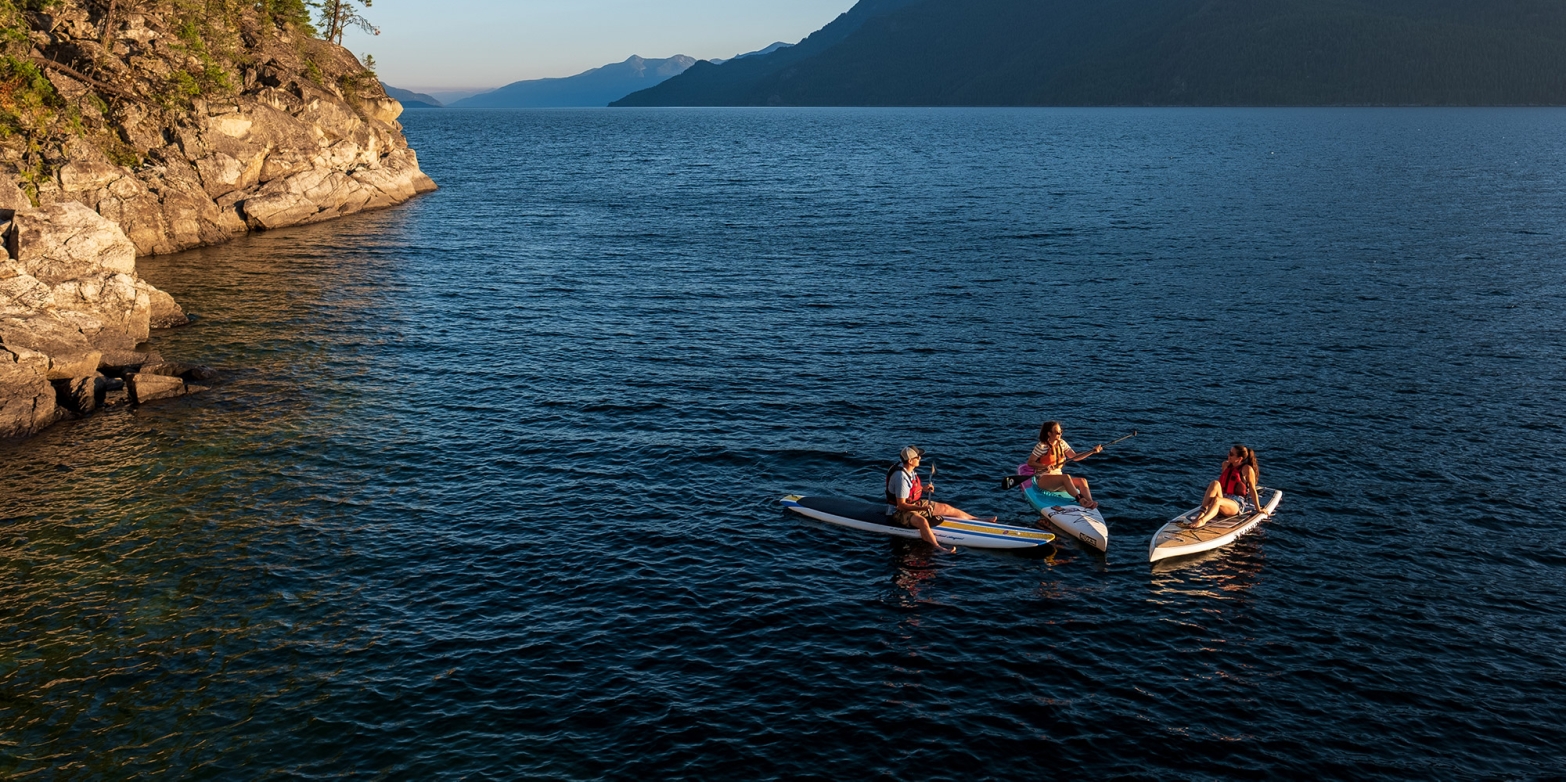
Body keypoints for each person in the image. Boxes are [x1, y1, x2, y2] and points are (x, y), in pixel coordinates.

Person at [886, 446, 992, 553]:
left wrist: (923, 488)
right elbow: (901, 505)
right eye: (917, 457)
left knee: (946, 508)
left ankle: (976, 519)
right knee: (922, 522)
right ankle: (938, 547)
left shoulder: (908, 469)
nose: (920, 459)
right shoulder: (901, 478)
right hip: (898, 511)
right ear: (910, 461)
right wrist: (922, 508)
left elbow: (910, 491)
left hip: (912, 503)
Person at [1025, 421, 1103, 509]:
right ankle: (1081, 501)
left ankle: (1090, 503)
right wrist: (1045, 466)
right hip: (1044, 479)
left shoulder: (1062, 443)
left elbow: (1075, 457)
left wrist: (1092, 451)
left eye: (1061, 432)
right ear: (1049, 433)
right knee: (1066, 477)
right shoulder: (1041, 446)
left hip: (1058, 480)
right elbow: (1030, 462)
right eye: (1058, 433)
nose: (1060, 434)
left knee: (1082, 481)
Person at [1183, 444, 1264, 529]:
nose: (1228, 455)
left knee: (1217, 500)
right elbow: (1223, 484)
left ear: (1239, 459)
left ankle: (1203, 521)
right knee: (1215, 483)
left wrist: (1258, 509)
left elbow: (1252, 489)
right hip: (1224, 498)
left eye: (1231, 454)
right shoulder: (1225, 465)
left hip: (1236, 504)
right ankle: (1201, 514)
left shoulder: (1247, 469)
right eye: (1229, 452)